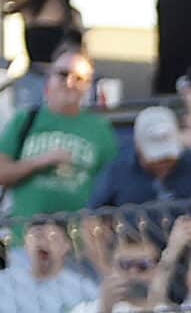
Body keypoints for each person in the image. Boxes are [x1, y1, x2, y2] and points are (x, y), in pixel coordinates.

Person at [0, 46, 117, 224]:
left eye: (79, 78)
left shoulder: (100, 129)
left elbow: (113, 186)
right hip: (25, 234)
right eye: (63, 74)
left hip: (78, 236)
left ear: (87, 85)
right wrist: (41, 161)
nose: (69, 82)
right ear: (49, 77)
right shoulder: (25, 120)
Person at [87, 103, 191, 236]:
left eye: (168, 157)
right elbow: (92, 218)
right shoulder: (118, 171)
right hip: (135, 244)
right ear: (138, 145)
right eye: (156, 158)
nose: (162, 162)